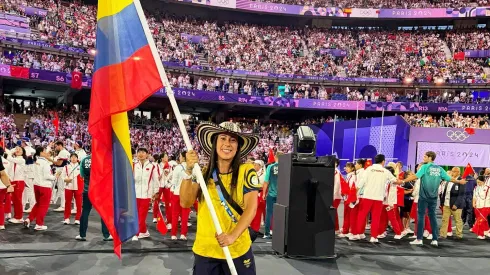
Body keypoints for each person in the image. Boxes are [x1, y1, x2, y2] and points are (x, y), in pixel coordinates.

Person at [180, 121, 260, 275]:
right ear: (214, 143)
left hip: (238, 249)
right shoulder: (203, 172)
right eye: (222, 138)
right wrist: (189, 170)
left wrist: (232, 236)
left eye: (233, 140)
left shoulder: (247, 171)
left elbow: (252, 208)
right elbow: (185, 202)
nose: (227, 144)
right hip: (206, 251)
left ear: (238, 147)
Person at [403, 151, 466, 246]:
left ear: (429, 158)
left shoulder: (424, 167)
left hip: (423, 197)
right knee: (433, 217)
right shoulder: (439, 168)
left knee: (420, 217)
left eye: (425, 156)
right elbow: (450, 179)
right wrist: (459, 181)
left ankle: (419, 239)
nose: (423, 158)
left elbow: (415, 176)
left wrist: (402, 181)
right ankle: (435, 239)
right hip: (433, 198)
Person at [353, 154, 402, 243]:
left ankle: (357, 234)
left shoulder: (368, 169)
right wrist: (403, 181)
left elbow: (360, 184)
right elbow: (395, 180)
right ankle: (373, 237)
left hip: (367, 196)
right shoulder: (385, 171)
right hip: (379, 198)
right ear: (383, 161)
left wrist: (354, 195)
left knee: (361, 216)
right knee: (376, 218)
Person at [76, 154, 112, 241]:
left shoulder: (84, 160)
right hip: (100, 191)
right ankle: (106, 235)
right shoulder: (103, 159)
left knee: (85, 212)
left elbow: (81, 175)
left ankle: (82, 235)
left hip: (87, 190)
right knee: (103, 213)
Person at [24, 146, 56, 231]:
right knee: (43, 206)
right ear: (41, 152)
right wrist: (54, 177)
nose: (47, 152)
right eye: (45, 151)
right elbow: (46, 176)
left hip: (37, 185)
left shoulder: (37, 161)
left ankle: (29, 219)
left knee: (38, 204)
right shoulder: (45, 163)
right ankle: (39, 224)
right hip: (44, 186)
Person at [132, 148, 159, 241]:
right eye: (139, 152)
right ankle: (144, 231)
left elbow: (156, 180)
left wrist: (155, 193)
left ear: (147, 155)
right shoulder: (134, 165)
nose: (140, 154)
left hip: (146, 195)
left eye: (143, 152)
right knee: (136, 215)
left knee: (141, 215)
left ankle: (136, 233)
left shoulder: (152, 166)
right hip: (135, 194)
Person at [439, 167, 465, 239]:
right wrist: (442, 202)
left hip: (455, 205)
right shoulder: (449, 180)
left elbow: (461, 195)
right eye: (452, 171)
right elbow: (444, 192)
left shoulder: (461, 181)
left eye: (454, 171)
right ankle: (443, 234)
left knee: (458, 220)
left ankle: (459, 234)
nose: (452, 173)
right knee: (444, 220)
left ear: (458, 172)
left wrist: (456, 204)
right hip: (446, 204)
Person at [170, 151, 191, 240]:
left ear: (182, 157)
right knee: (185, 215)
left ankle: (173, 234)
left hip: (176, 193)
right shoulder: (193, 168)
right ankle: (183, 234)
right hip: (187, 194)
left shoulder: (178, 167)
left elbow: (173, 181)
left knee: (175, 215)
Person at [4, 146, 27, 223]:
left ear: (23, 152)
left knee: (18, 200)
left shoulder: (21, 160)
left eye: (19, 150)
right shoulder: (14, 160)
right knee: (15, 200)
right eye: (16, 149)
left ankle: (19, 217)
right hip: (14, 181)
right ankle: (16, 216)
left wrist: (11, 151)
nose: (17, 150)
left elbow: (8, 157)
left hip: (19, 182)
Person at [60, 153, 82, 225]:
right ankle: (66, 218)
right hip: (68, 186)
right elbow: (62, 176)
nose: (73, 158)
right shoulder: (66, 167)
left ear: (77, 158)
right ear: (70, 158)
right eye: (72, 157)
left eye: (75, 157)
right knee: (67, 203)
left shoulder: (80, 167)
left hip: (78, 187)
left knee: (79, 203)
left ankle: (78, 219)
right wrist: (65, 179)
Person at [262, 151, 280, 239]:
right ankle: (279, 233)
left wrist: (264, 193)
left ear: (276, 157)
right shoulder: (286, 167)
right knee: (281, 214)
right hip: (282, 195)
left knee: (269, 213)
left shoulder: (270, 166)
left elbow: (266, 182)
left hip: (271, 194)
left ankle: (267, 233)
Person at [52, 141, 71, 212]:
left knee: (61, 188)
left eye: (56, 146)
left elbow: (59, 163)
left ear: (60, 145)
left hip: (61, 170)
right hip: (64, 170)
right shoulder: (65, 152)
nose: (55, 148)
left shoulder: (62, 152)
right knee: (62, 188)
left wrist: (49, 159)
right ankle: (63, 205)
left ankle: (63, 206)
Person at [0, 146, 14, 230]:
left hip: (4, 183)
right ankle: (2, 222)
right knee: (3, 202)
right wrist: (9, 184)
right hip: (4, 184)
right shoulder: (7, 162)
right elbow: (6, 174)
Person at [472, 175, 489, 239]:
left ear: (483, 181)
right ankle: (487, 230)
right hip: (477, 206)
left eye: (479, 182)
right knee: (484, 220)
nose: (478, 183)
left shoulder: (488, 188)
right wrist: (473, 203)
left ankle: (481, 234)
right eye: (477, 182)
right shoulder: (476, 188)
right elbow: (474, 196)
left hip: (486, 206)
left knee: (480, 220)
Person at [250, 159, 265, 233]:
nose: (254, 166)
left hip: (260, 195)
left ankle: (255, 229)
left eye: (255, 165)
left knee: (257, 212)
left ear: (259, 166)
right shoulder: (253, 173)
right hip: (254, 194)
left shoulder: (263, 174)